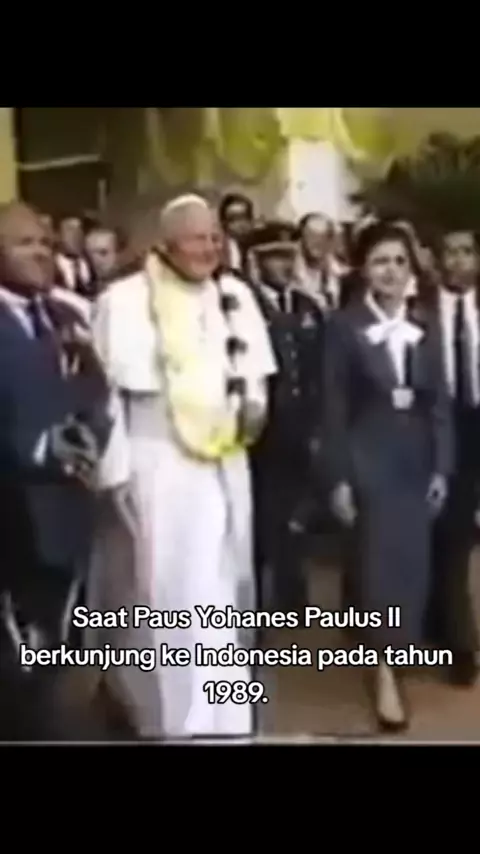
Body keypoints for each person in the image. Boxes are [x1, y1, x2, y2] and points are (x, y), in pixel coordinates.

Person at [90, 193, 276, 738]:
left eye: (215, 236)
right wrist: (116, 474)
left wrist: (252, 413)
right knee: (167, 594)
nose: (209, 247)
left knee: (224, 592)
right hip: (157, 465)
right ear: (166, 243)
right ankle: (174, 724)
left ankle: (228, 720)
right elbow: (108, 398)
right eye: (197, 237)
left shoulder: (236, 296)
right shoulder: (125, 300)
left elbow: (255, 379)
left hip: (226, 464)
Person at [322, 221, 452, 731]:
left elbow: (438, 402)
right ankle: (382, 674)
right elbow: (333, 407)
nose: (392, 271)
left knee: (411, 568)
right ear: (363, 269)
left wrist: (442, 466)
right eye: (380, 261)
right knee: (376, 568)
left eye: (399, 261)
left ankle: (397, 652)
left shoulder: (425, 322)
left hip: (416, 460)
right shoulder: (344, 326)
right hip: (368, 457)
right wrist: (338, 476)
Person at [0, 202, 112, 739]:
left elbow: (95, 390)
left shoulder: (67, 318)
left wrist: (90, 434)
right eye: (25, 243)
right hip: (11, 517)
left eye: (45, 243)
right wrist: (41, 447)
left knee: (55, 648)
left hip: (66, 513)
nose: (41, 253)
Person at [245, 221, 325, 610]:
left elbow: (321, 368)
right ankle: (261, 601)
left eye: (289, 255)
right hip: (264, 429)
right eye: (274, 257)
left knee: (297, 512)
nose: (285, 264)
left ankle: (294, 595)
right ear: (257, 261)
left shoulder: (308, 307)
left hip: (301, 425)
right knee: (263, 517)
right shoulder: (245, 307)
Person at [417, 228, 480, 686]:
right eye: (450, 252)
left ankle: (452, 634)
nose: (458, 261)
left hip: (476, 425)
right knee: (444, 535)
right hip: (435, 429)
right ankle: (453, 638)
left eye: (466, 252)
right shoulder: (421, 312)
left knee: (457, 536)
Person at [294, 213, 344, 310]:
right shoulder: (291, 275)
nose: (317, 242)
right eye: (311, 236)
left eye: (324, 236)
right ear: (301, 238)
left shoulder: (341, 274)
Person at [55, 213, 95, 297]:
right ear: (57, 235)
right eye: (70, 230)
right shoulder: (51, 267)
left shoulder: (92, 261)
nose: (76, 235)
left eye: (79, 229)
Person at [219, 193, 255, 273]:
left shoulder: (259, 248)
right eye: (234, 219)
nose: (241, 224)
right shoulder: (221, 255)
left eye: (245, 217)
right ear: (224, 223)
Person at [85, 224, 124, 294]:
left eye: (103, 253)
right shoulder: (83, 285)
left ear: (117, 253)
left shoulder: (128, 286)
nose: (96, 260)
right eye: (88, 254)